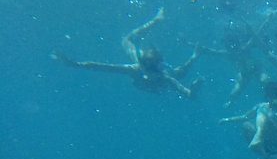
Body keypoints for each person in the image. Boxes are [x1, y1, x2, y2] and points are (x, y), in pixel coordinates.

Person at [52, 8, 203, 99]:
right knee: (126, 41)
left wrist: (193, 90)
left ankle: (194, 54)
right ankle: (156, 20)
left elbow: (186, 93)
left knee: (179, 72)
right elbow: (102, 66)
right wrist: (76, 64)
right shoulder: (137, 68)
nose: (147, 71)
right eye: (145, 62)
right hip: (149, 78)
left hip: (158, 84)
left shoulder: (164, 77)